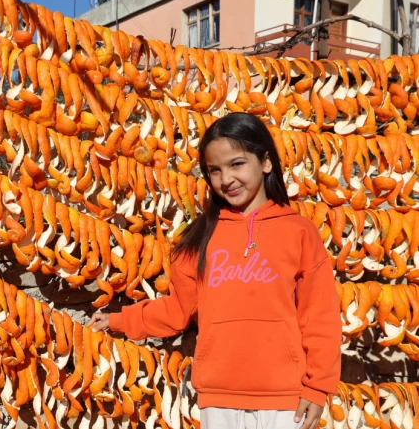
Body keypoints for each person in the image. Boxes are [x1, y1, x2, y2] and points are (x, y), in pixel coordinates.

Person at [89, 113, 341, 429]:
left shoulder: (298, 232)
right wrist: (119, 320)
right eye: (215, 170)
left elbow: (320, 316)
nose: (226, 179)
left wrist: (317, 387)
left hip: (285, 400)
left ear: (265, 162)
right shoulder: (198, 238)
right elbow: (178, 309)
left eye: (237, 164)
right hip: (218, 399)